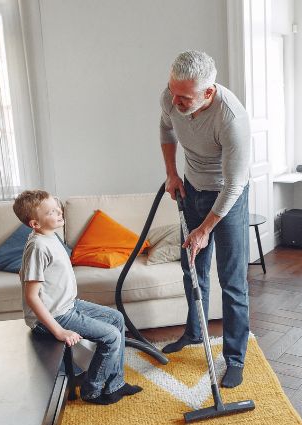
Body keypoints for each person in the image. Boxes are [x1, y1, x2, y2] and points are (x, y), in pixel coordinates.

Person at [158, 50, 251, 388]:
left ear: (208, 92)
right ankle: (195, 332)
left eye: (185, 97)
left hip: (228, 198)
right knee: (192, 268)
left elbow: (235, 185)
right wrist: (172, 173)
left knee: (232, 280)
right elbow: (166, 129)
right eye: (173, 92)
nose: (175, 101)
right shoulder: (172, 96)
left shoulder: (232, 119)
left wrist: (204, 229)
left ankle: (235, 359)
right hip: (192, 189)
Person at [13, 190, 142, 404]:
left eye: (57, 208)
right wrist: (59, 331)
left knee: (116, 318)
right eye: (50, 212)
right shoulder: (37, 246)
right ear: (35, 223)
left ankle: (114, 384)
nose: (58, 212)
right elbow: (31, 297)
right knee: (111, 336)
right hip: (54, 316)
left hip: (67, 305)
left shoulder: (49, 236)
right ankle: (92, 390)